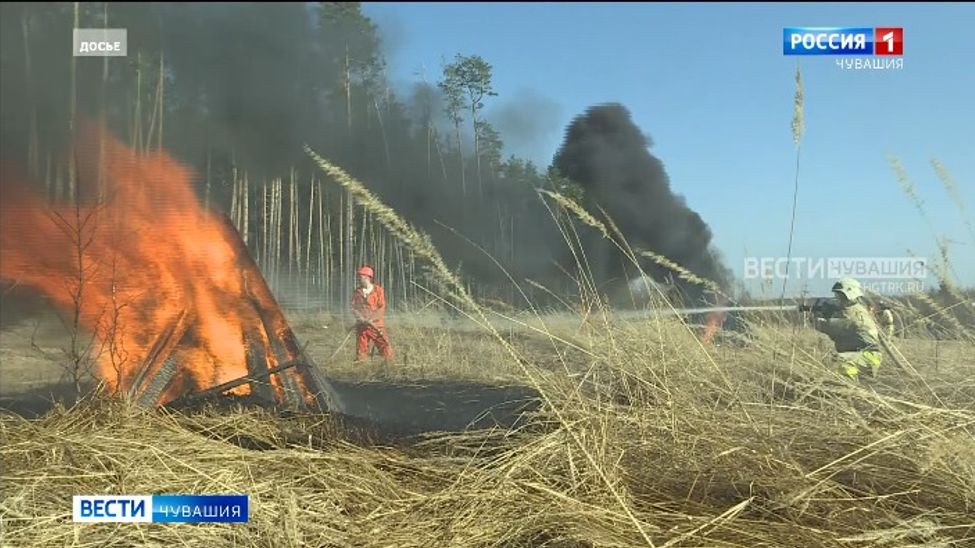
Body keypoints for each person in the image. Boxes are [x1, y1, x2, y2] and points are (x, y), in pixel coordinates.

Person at [812, 277, 882, 380]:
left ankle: (849, 388)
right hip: (859, 355)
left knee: (841, 362)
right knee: (835, 360)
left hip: (869, 356)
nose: (838, 299)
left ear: (849, 295)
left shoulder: (854, 316)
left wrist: (815, 317)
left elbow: (827, 326)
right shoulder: (853, 310)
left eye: (840, 296)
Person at [350, 265, 394, 362]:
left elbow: (381, 307)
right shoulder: (357, 292)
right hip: (362, 326)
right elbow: (353, 307)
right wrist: (360, 318)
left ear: (367, 277)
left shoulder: (378, 291)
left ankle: (389, 365)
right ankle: (362, 366)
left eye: (361, 277)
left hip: (376, 325)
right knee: (361, 350)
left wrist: (372, 319)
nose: (359, 279)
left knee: (384, 346)